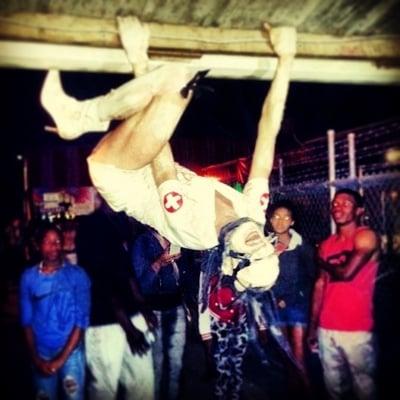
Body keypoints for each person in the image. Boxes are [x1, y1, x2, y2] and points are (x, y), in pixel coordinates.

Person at [40, 17, 297, 294]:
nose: (258, 245)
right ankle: (83, 119)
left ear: (229, 260)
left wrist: (139, 57)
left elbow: (160, 155)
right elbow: (268, 130)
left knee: (172, 87)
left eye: (251, 257)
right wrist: (286, 58)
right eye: (267, 252)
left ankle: (86, 116)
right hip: (143, 157)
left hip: (121, 177)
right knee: (178, 79)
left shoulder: (195, 230)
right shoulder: (253, 209)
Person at [75, 192, 156, 400]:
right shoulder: (90, 225)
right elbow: (101, 281)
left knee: (142, 387)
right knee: (104, 390)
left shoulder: (119, 222)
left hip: (130, 317)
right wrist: (128, 326)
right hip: (105, 323)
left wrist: (142, 306)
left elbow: (126, 271)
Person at [308, 189, 380, 400]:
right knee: (333, 387)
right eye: (335, 203)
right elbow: (320, 284)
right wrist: (313, 326)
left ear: (359, 211)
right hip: (326, 326)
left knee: (364, 387)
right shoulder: (327, 244)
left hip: (357, 327)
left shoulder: (366, 236)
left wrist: (320, 261)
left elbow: (346, 274)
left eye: (345, 203)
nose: (337, 207)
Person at [19, 224, 90, 400]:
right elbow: (26, 321)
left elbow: (81, 322)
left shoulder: (78, 275)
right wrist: (37, 360)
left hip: (71, 352)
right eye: (48, 242)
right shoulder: (29, 278)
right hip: (41, 353)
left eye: (58, 241)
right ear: (38, 245)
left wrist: (60, 360)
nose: (54, 246)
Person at [132, 226, 191, 400]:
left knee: (176, 363)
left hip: (176, 306)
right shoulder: (142, 242)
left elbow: (186, 277)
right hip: (153, 309)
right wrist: (158, 263)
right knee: (155, 364)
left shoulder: (177, 238)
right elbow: (140, 285)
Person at [267, 200, 315, 372]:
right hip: (274, 306)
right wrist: (275, 297)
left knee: (298, 356)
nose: (280, 221)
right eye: (276, 217)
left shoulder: (301, 246)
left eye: (286, 218)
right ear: (270, 220)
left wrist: (293, 298)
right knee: (285, 355)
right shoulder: (263, 247)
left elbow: (312, 277)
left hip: (297, 305)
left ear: (292, 222)